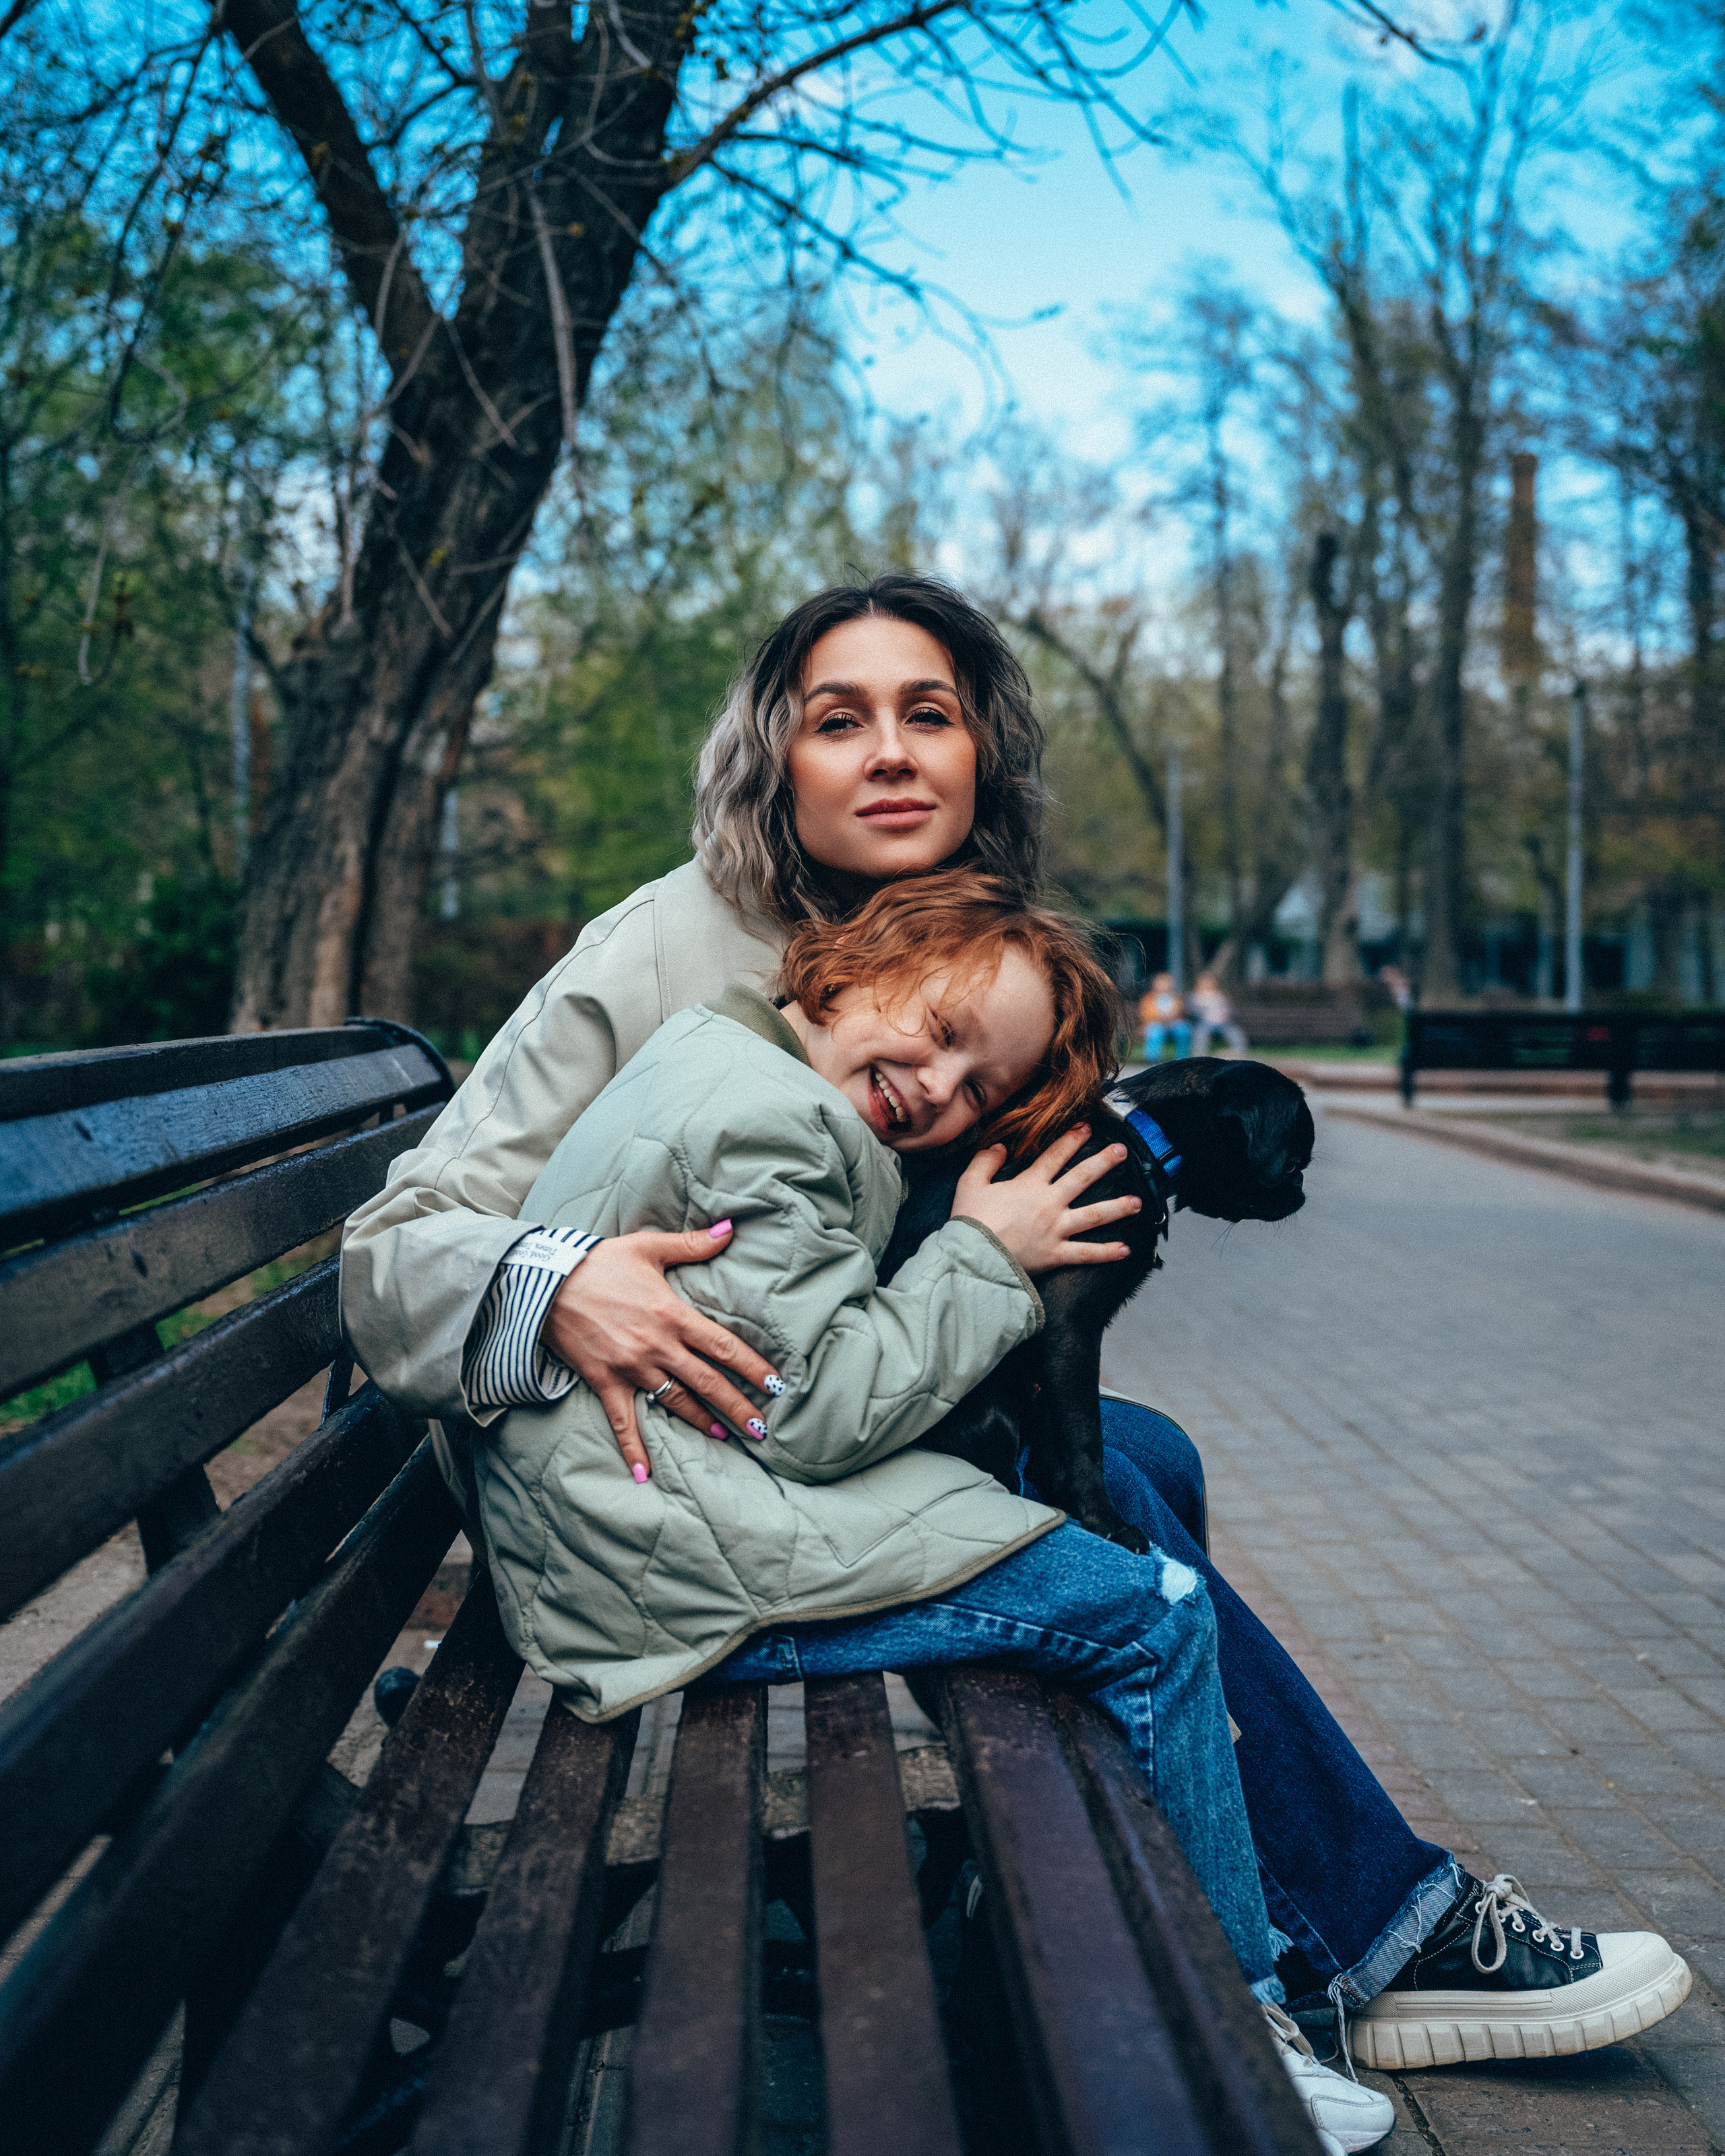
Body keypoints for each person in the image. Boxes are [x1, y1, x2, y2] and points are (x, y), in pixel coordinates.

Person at [342, 573, 1688, 2080]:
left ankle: (1264, 1917)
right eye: (837, 719)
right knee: (1113, 1522)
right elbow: (392, 1248)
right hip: (639, 1469)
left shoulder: (968, 959)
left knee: (1142, 1459)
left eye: (930, 713)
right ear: (771, 760)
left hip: (776, 1428)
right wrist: (561, 1280)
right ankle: (1365, 1930)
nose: (892, 752)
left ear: (986, 750)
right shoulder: (660, 952)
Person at [1189, 970, 1249, 1055]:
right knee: (1201, 1033)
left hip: (1223, 1023)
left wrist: (1224, 1015)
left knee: (1235, 1032)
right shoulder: (1194, 997)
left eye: (1209, 982)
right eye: (1204, 982)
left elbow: (1229, 1010)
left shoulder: (1221, 996)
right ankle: (1199, 1055)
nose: (1207, 984)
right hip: (1204, 1023)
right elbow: (1192, 1012)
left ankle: (1239, 1052)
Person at [1138, 971, 1191, 1061]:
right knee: (1155, 1032)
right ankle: (1152, 1059)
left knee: (1183, 1030)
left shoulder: (1176, 998)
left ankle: (1182, 1058)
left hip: (1173, 1024)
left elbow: (1179, 1012)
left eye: (1166, 983)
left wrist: (1171, 1019)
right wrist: (1162, 1019)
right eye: (1161, 983)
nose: (1164, 986)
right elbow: (1146, 1015)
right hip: (1154, 1024)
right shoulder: (1148, 998)